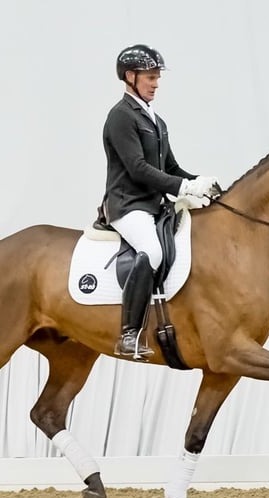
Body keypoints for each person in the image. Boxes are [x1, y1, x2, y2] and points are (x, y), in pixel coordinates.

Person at [98, 44, 217, 359]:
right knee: (150, 251)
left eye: (157, 78)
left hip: (154, 205)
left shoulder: (156, 120)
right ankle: (129, 334)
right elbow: (137, 169)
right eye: (150, 77)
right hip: (127, 204)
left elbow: (171, 168)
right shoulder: (121, 117)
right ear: (130, 76)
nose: (155, 84)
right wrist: (183, 186)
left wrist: (201, 184)